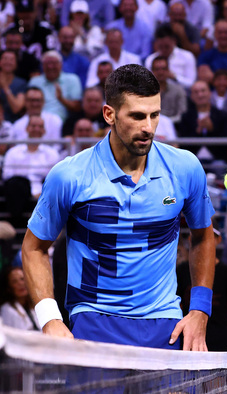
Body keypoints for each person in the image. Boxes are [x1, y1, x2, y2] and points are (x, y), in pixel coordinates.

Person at [21, 64, 216, 351]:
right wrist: (50, 319)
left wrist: (200, 311)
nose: (148, 127)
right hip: (93, 322)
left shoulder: (186, 168)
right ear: (109, 114)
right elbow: (33, 248)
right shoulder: (69, 176)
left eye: (154, 115)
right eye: (137, 116)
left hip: (165, 325)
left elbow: (203, 236)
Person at [28, 50, 83, 121]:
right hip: (37, 120)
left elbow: (77, 107)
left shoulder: (72, 79)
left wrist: (61, 99)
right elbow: (28, 104)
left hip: (64, 122)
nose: (50, 67)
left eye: (54, 63)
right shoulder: (35, 81)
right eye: (47, 63)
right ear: (42, 66)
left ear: (61, 65)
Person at [144, 25, 197, 89]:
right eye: (160, 47)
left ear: (174, 41)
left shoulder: (187, 57)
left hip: (182, 94)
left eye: (167, 46)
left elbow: (191, 83)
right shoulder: (150, 59)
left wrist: (175, 77)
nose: (163, 50)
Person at [0, 50, 26, 122]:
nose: (8, 62)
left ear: (16, 64)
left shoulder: (21, 83)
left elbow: (16, 108)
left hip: (13, 124)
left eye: (11, 59)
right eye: (5, 58)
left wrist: (5, 87)